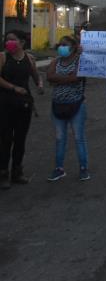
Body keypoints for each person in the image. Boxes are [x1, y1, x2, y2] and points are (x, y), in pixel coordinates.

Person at [0, 31, 44, 188]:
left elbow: (35, 75)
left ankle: (17, 172)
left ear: (22, 42)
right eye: (7, 40)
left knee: (20, 139)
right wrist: (13, 88)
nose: (8, 43)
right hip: (5, 104)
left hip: (24, 104)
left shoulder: (29, 58)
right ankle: (3, 173)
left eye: (13, 40)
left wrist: (39, 85)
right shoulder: (3, 57)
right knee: (5, 139)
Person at [46, 36, 89, 182]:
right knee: (59, 138)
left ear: (73, 47)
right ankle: (59, 169)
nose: (61, 47)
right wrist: (68, 78)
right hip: (57, 105)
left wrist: (58, 78)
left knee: (79, 138)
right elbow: (49, 76)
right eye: (60, 44)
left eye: (65, 45)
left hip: (76, 105)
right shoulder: (55, 61)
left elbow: (77, 78)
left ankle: (83, 168)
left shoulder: (79, 61)